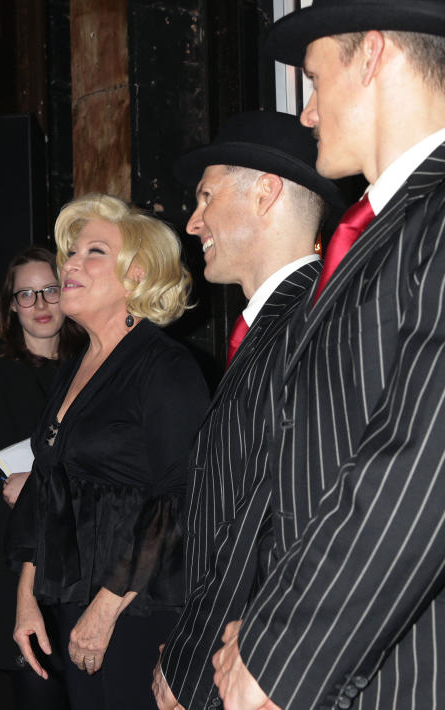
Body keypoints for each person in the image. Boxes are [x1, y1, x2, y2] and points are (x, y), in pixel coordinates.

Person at [210, 2, 445, 709]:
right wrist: (260, 624)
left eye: (314, 80)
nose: (307, 114)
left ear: (370, 56)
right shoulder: (374, 234)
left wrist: (286, 652)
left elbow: (424, 458)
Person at [149, 111, 344, 710]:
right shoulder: (283, 322)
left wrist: (188, 660)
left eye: (206, 196)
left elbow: (261, 518)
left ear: (265, 191)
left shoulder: (302, 325)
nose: (192, 219)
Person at [7, 195, 210, 710]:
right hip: (75, 601)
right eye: (69, 252)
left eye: (92, 252)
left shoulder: (164, 367)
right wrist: (27, 598)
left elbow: (181, 495)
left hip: (138, 609)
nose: (68, 263)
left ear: (136, 274)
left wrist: (105, 608)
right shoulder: (77, 365)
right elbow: (47, 485)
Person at [0, 246, 83, 710]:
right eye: (26, 294)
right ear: (11, 307)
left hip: (90, 556)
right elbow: (16, 477)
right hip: (26, 561)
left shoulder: (92, 368)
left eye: (49, 290)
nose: (39, 304)